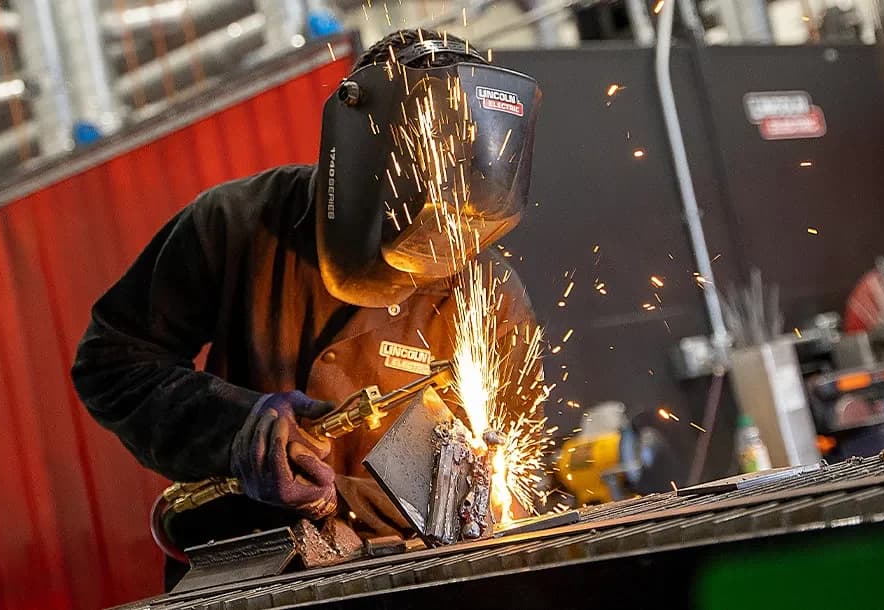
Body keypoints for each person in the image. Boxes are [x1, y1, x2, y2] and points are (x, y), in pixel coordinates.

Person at [71, 29, 543, 584]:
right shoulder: (237, 224)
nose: (427, 259)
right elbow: (112, 364)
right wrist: (238, 424)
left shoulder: (484, 290)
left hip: (410, 579)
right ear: (363, 152)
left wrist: (336, 503)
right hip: (252, 569)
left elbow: (502, 473)